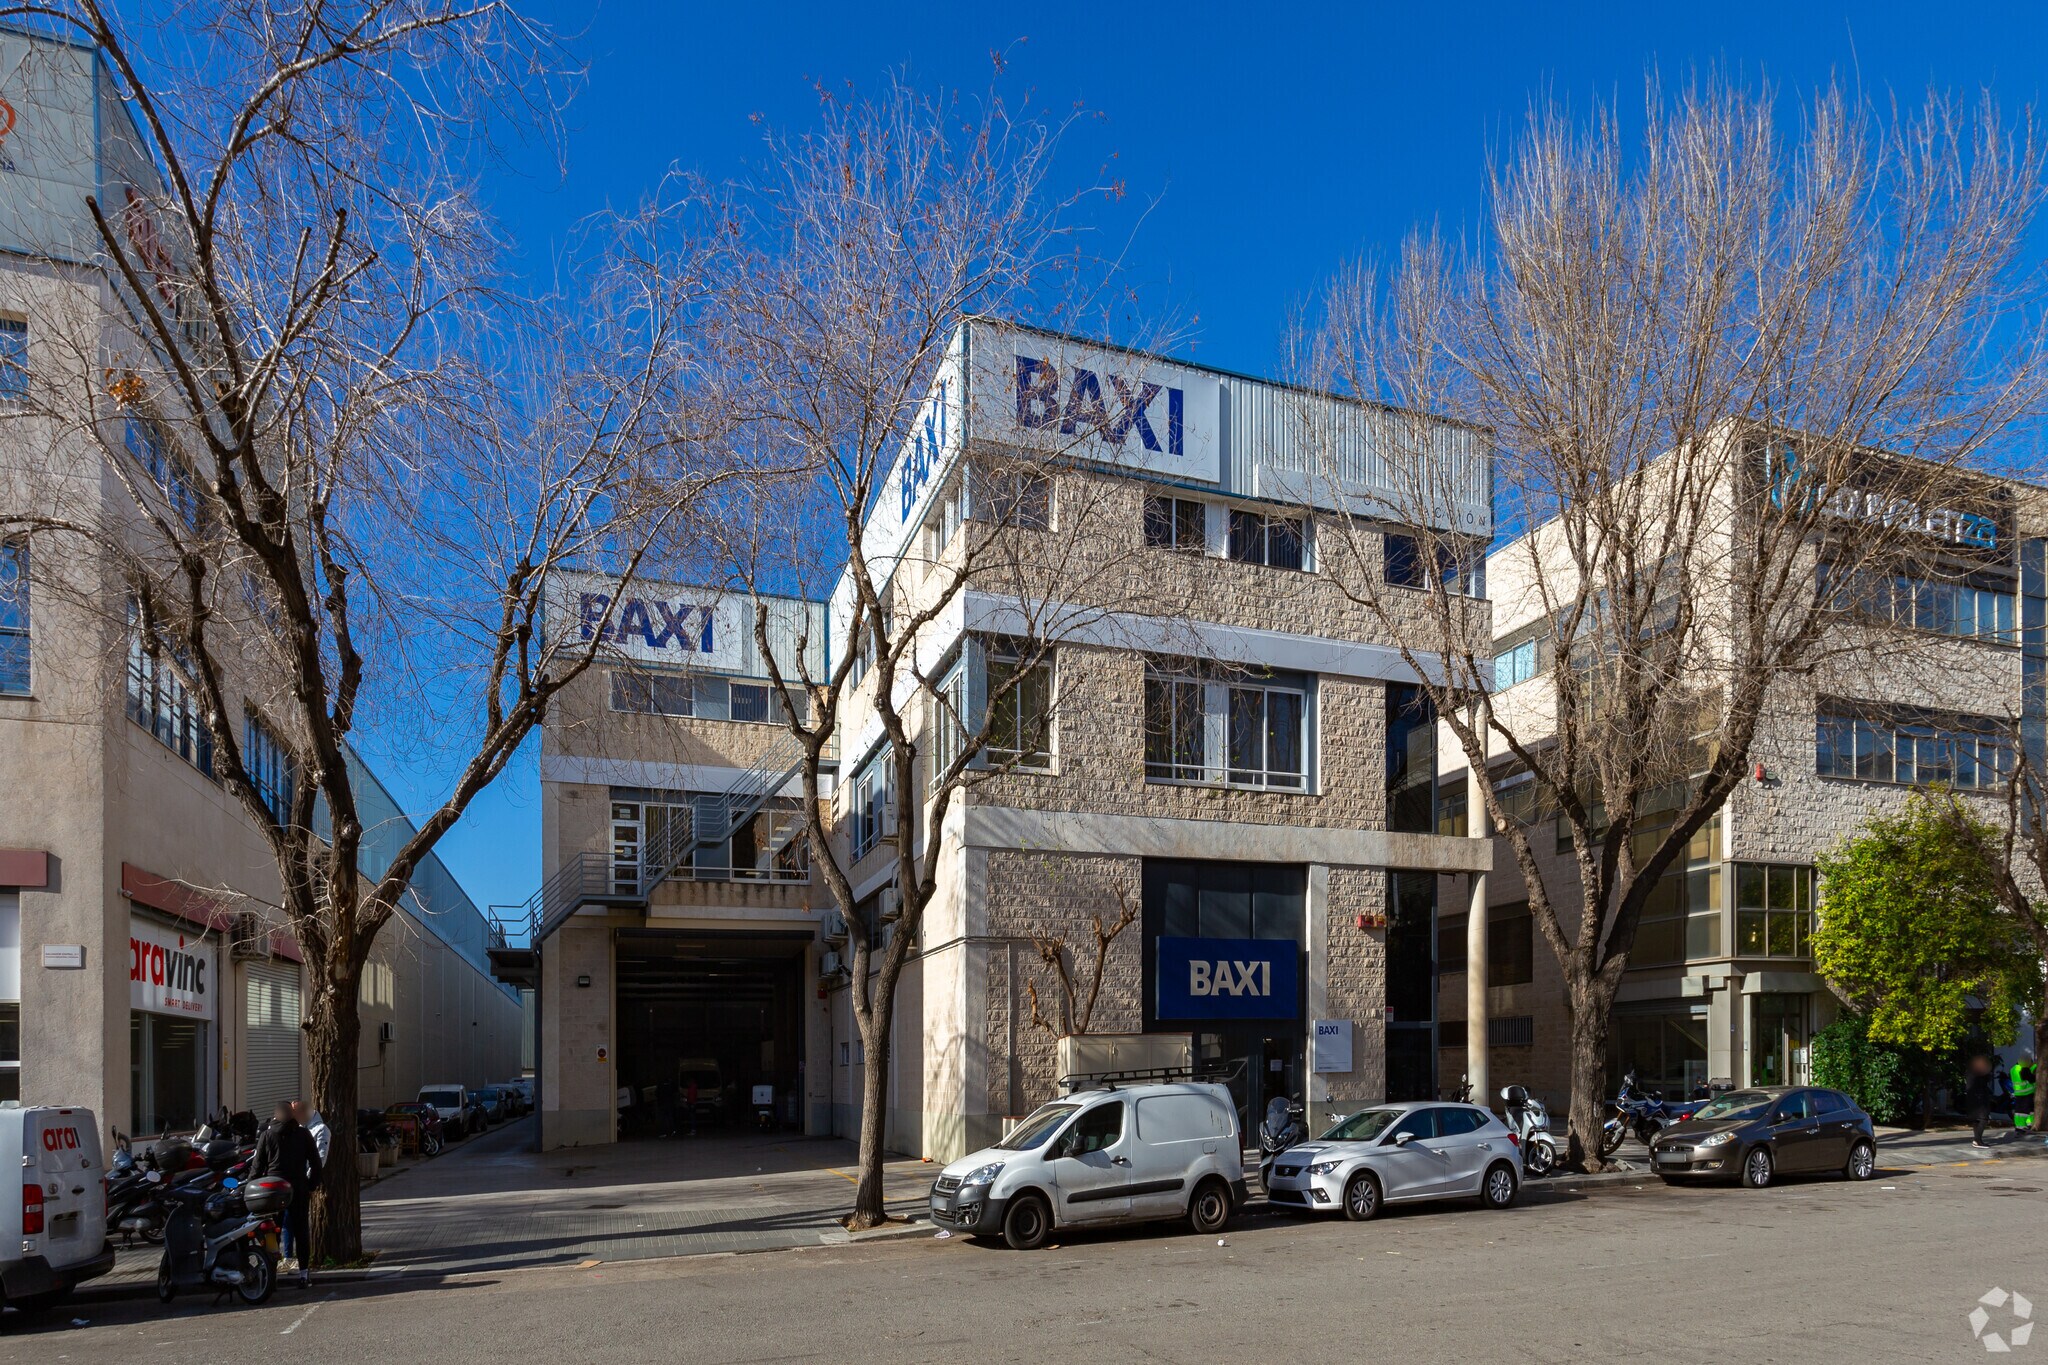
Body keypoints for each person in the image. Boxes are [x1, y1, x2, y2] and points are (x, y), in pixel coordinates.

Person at [253, 1099, 322, 1287]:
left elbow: (257, 1166)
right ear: (292, 1116)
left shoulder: (267, 1136)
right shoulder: (303, 1134)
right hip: (298, 1188)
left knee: (272, 1232)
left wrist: (252, 1188)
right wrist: (311, 1185)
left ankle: (272, 1275)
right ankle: (303, 1274)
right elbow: (316, 1163)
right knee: (301, 1231)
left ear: (276, 1116)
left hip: (273, 1190)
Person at [1963, 1054, 1997, 1148]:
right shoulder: (1978, 1073)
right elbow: (1984, 1081)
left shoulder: (1970, 1072)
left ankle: (1977, 1139)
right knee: (1983, 1118)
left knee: (1977, 1119)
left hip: (1973, 1098)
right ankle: (1977, 1140)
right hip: (1979, 1097)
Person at [2015, 1056, 2038, 1135]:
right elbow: (2030, 1078)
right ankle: (2025, 1126)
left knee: (2020, 1112)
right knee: (2025, 1111)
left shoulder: (2014, 1069)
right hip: (2026, 1093)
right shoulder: (2023, 1069)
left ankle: (2021, 1126)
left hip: (2019, 1093)